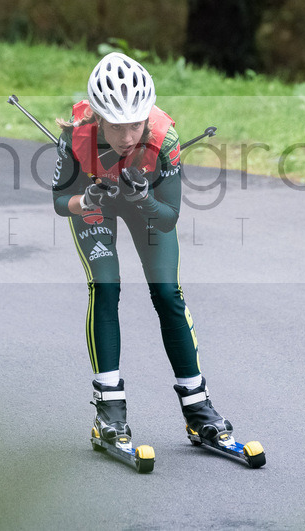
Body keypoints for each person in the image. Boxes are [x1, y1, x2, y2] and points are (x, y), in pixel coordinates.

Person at [51, 51, 235, 446]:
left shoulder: (164, 139)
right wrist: (88, 201)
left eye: (136, 123)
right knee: (106, 286)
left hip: (146, 207)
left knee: (168, 293)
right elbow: (58, 202)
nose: (129, 135)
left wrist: (142, 199)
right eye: (118, 126)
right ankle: (109, 411)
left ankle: (197, 406)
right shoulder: (76, 136)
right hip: (95, 205)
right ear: (99, 117)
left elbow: (167, 218)